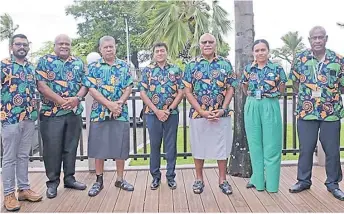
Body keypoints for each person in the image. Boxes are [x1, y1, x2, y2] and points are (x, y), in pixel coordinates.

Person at [289, 26, 344, 201]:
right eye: (314, 38)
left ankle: (333, 184)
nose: (318, 41)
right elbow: (295, 83)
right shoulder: (300, 59)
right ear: (309, 39)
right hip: (307, 112)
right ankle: (303, 181)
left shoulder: (338, 59)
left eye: (321, 37)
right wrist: (308, 98)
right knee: (305, 148)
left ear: (326, 39)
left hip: (331, 113)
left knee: (332, 150)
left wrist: (329, 95)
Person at [182, 33, 237, 195]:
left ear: (215, 44)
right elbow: (187, 91)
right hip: (199, 115)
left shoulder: (225, 64)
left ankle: (223, 180)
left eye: (210, 42)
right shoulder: (191, 65)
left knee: (222, 147)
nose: (207, 44)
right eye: (204, 42)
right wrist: (201, 111)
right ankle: (199, 179)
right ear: (199, 45)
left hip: (221, 114)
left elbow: (230, 88)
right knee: (199, 147)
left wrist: (223, 109)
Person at [36, 34, 88, 199]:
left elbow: (85, 84)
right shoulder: (45, 61)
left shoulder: (78, 62)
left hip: (73, 113)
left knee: (71, 147)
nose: (64, 46)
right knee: (52, 150)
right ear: (55, 45)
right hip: (51, 113)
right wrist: (60, 101)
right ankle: (52, 183)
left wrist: (76, 99)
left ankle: (69, 178)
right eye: (61, 43)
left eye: (67, 43)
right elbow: (41, 85)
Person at [84, 36, 134, 197]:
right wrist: (109, 104)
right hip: (99, 113)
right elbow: (92, 89)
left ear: (115, 47)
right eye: (105, 47)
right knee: (99, 147)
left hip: (120, 112)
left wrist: (118, 103)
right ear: (100, 49)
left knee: (120, 146)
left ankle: (120, 179)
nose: (108, 49)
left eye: (111, 46)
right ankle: (99, 180)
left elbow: (128, 87)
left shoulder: (124, 66)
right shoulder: (93, 67)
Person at [1, 34, 43, 211]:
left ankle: (24, 189)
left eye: (25, 44)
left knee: (24, 155)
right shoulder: (3, 65)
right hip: (9, 117)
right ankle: (8, 194)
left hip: (28, 116)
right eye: (18, 44)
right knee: (9, 157)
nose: (22, 47)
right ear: (12, 47)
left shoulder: (30, 67)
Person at [242, 39, 287, 193]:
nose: (260, 53)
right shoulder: (248, 69)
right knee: (255, 144)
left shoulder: (277, 68)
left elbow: (281, 88)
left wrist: (269, 96)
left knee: (272, 145)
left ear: (268, 51)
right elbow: (244, 86)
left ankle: (272, 184)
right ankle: (258, 181)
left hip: (270, 104)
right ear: (253, 53)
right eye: (257, 50)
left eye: (263, 50)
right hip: (252, 104)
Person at [139, 42, 184, 190]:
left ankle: (171, 176)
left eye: (162, 50)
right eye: (157, 51)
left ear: (166, 52)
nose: (160, 53)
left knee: (171, 146)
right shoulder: (147, 71)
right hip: (152, 114)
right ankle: (155, 177)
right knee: (154, 145)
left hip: (171, 114)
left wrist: (169, 110)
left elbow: (181, 91)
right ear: (153, 53)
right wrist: (156, 111)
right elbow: (143, 93)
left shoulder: (175, 69)